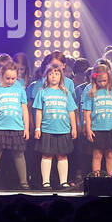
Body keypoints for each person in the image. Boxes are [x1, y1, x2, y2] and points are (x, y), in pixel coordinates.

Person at [0, 62, 30, 191]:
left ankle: (24, 182)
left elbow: (24, 109)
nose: (10, 81)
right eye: (8, 78)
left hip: (17, 127)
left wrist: (26, 128)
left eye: (13, 78)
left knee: (19, 154)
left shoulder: (19, 87)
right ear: (2, 75)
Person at [33, 63, 77, 191]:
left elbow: (71, 112)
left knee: (62, 155)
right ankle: (45, 182)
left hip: (63, 129)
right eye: (51, 74)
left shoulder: (66, 93)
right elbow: (39, 112)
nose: (53, 76)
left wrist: (73, 128)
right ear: (46, 76)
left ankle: (63, 182)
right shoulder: (42, 93)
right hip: (47, 129)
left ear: (61, 76)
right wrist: (37, 128)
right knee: (47, 155)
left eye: (57, 74)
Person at [82, 63, 112, 179]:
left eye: (105, 81)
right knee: (97, 154)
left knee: (110, 153)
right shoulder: (91, 93)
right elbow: (87, 113)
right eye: (100, 81)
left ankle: (109, 178)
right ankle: (97, 178)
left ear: (109, 78)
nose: (102, 83)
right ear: (95, 79)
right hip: (97, 128)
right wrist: (88, 129)